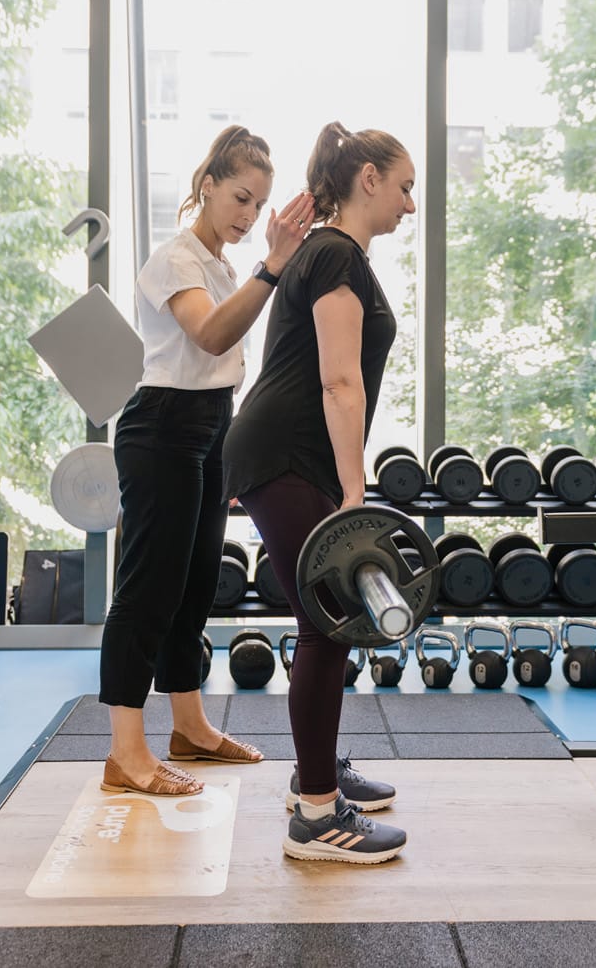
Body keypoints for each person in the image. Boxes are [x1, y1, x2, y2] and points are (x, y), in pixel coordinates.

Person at [99, 125, 315, 797]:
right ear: (209, 184)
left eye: (260, 205)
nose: (249, 215)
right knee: (148, 588)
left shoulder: (220, 267)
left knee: (195, 586)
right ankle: (125, 754)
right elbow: (212, 334)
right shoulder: (176, 260)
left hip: (210, 427)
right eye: (240, 198)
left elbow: (227, 365)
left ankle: (189, 727)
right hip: (161, 427)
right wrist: (272, 266)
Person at [223, 121, 416, 863]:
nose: (409, 204)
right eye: (403, 187)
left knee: (329, 620)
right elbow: (339, 382)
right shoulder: (334, 253)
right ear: (368, 179)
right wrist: (353, 492)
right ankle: (315, 815)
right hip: (287, 454)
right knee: (328, 624)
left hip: (287, 452)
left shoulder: (335, 253)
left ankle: (317, 770)